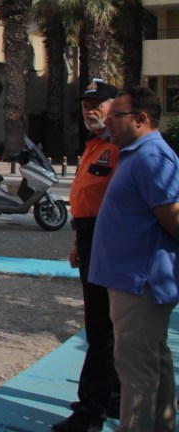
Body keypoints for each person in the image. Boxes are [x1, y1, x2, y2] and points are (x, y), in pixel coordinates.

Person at [90, 86, 179, 432]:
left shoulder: (152, 157)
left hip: (140, 282)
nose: (108, 121)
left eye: (116, 115)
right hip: (130, 279)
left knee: (135, 369)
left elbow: (172, 217)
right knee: (153, 360)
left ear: (141, 119)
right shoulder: (135, 154)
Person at [52, 79, 122, 432]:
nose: (89, 110)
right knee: (105, 326)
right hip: (91, 239)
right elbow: (86, 200)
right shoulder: (94, 145)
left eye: (97, 104)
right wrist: (80, 242)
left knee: (101, 328)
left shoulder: (121, 147)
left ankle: (91, 410)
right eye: (85, 105)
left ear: (115, 108)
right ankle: (114, 396)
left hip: (111, 243)